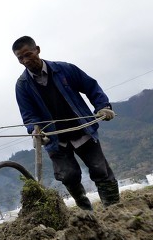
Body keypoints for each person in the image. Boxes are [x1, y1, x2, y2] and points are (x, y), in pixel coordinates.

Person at [12, 36, 121, 210]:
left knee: (100, 171)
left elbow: (91, 87)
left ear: (37, 50)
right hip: (56, 140)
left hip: (83, 131)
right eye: (20, 58)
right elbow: (29, 115)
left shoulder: (65, 70)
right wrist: (35, 130)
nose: (25, 60)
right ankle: (86, 213)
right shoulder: (22, 86)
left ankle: (114, 210)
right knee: (69, 176)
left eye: (28, 54)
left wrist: (103, 106)